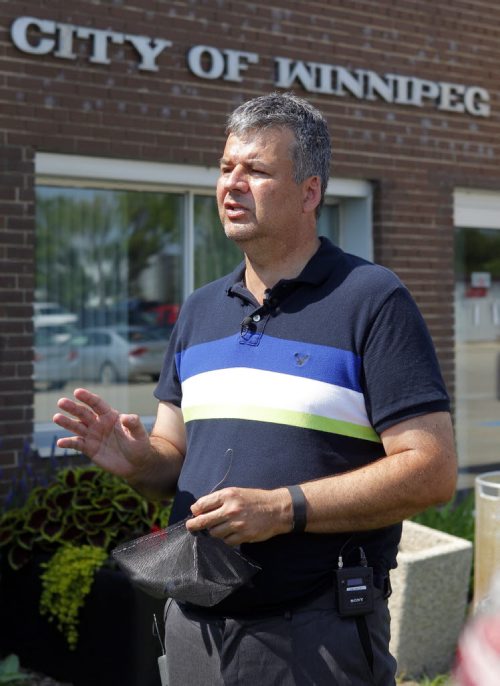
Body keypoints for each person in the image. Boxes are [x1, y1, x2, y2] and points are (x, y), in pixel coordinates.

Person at [53, 92, 457, 685]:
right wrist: (138, 461)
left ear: (310, 193)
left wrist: (283, 508)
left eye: (257, 170)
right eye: (225, 168)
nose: (231, 184)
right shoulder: (198, 311)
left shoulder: (372, 300)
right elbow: (172, 461)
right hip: (193, 629)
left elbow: (433, 469)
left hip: (315, 638)